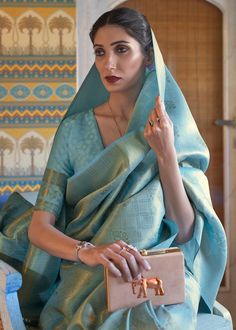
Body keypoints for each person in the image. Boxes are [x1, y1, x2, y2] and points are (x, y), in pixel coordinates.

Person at [0, 7, 227, 330]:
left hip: (156, 273)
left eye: (122, 49)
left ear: (148, 57)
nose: (109, 63)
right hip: (90, 274)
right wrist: (89, 252)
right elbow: (39, 228)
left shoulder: (169, 130)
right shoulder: (74, 131)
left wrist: (165, 153)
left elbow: (186, 230)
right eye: (100, 52)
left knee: (157, 319)